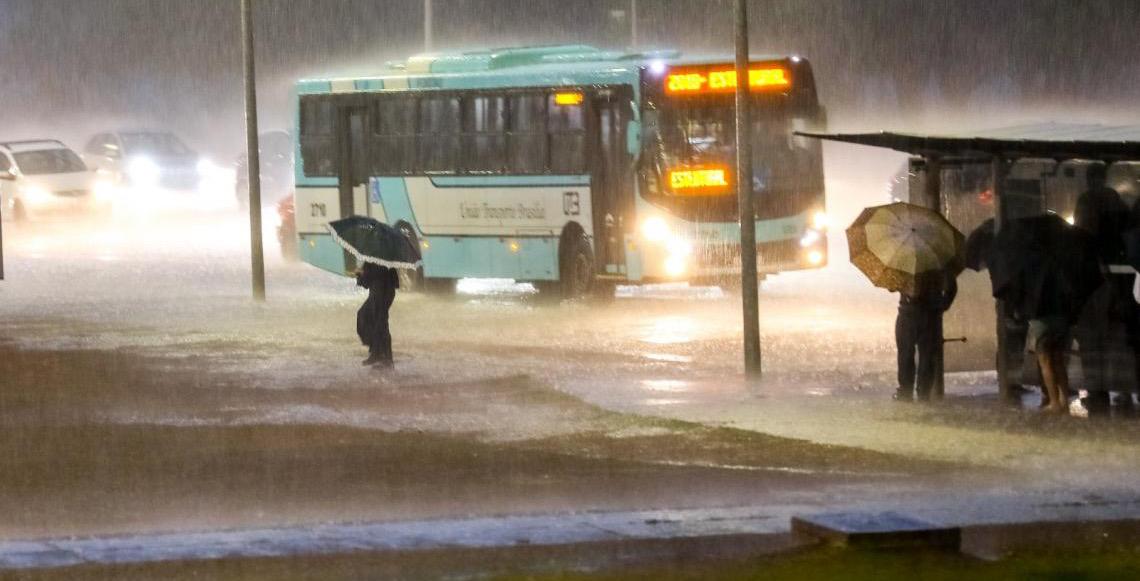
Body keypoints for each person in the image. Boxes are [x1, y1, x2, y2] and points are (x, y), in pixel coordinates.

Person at [1074, 163, 1133, 412]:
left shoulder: (1086, 201)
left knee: (1091, 339)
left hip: (1093, 279)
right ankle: (1124, 388)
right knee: (1117, 336)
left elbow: (1082, 234)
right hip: (1118, 276)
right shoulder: (1113, 199)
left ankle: (1098, 391)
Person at [895, 271, 958, 402]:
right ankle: (920, 394)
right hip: (925, 314)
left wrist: (941, 305)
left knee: (911, 356)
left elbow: (892, 285)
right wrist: (942, 305)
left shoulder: (906, 264)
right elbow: (951, 287)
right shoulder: (938, 265)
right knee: (924, 357)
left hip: (913, 313)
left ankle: (908, 393)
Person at [356, 262, 399, 368]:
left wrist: (359, 274)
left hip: (379, 293)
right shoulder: (386, 258)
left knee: (375, 321)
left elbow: (365, 283)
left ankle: (381, 355)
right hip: (386, 292)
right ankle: (379, 353)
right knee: (378, 322)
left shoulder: (372, 258)